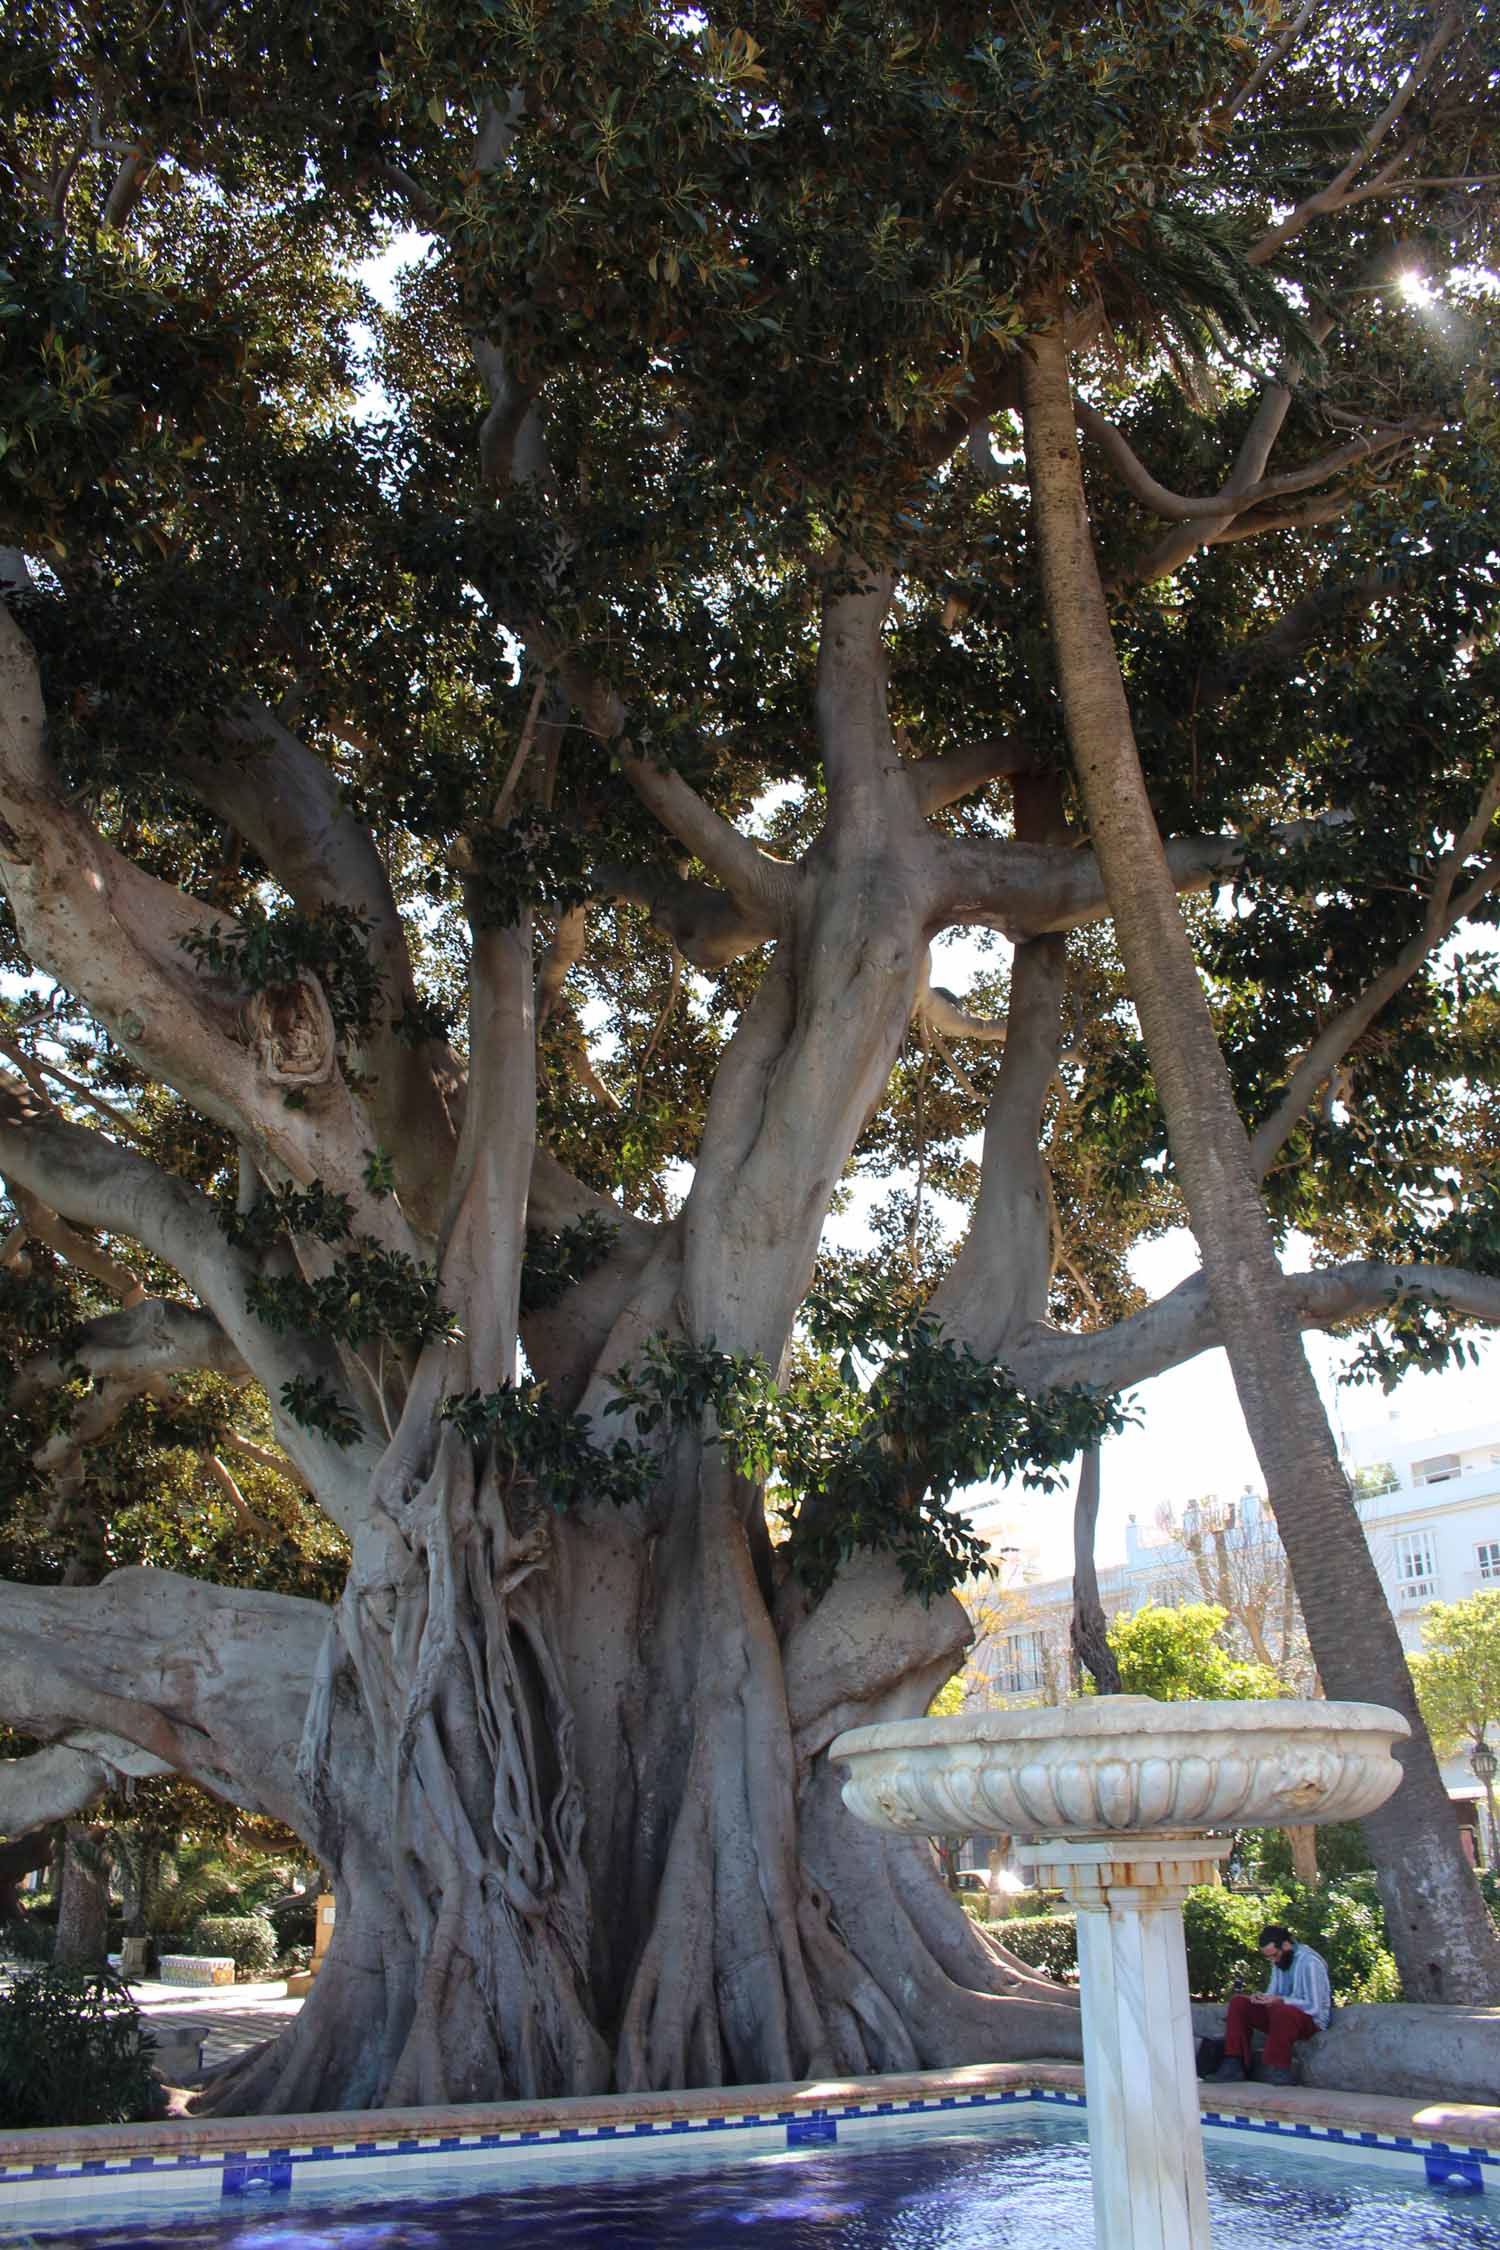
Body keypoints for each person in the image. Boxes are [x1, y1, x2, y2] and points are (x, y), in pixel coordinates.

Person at [1212, 1923, 1331, 2085]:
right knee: (1239, 2002)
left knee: (1281, 2009)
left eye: (1274, 1955)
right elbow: (1272, 1992)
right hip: (1280, 2014)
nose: (1272, 1960)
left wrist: (1280, 2000)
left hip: (1309, 2021)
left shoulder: (1310, 1963)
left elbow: (1314, 2006)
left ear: (1286, 1945)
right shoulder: (1278, 1962)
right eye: (1269, 1957)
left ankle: (1279, 2068)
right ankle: (1234, 2062)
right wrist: (1261, 1998)